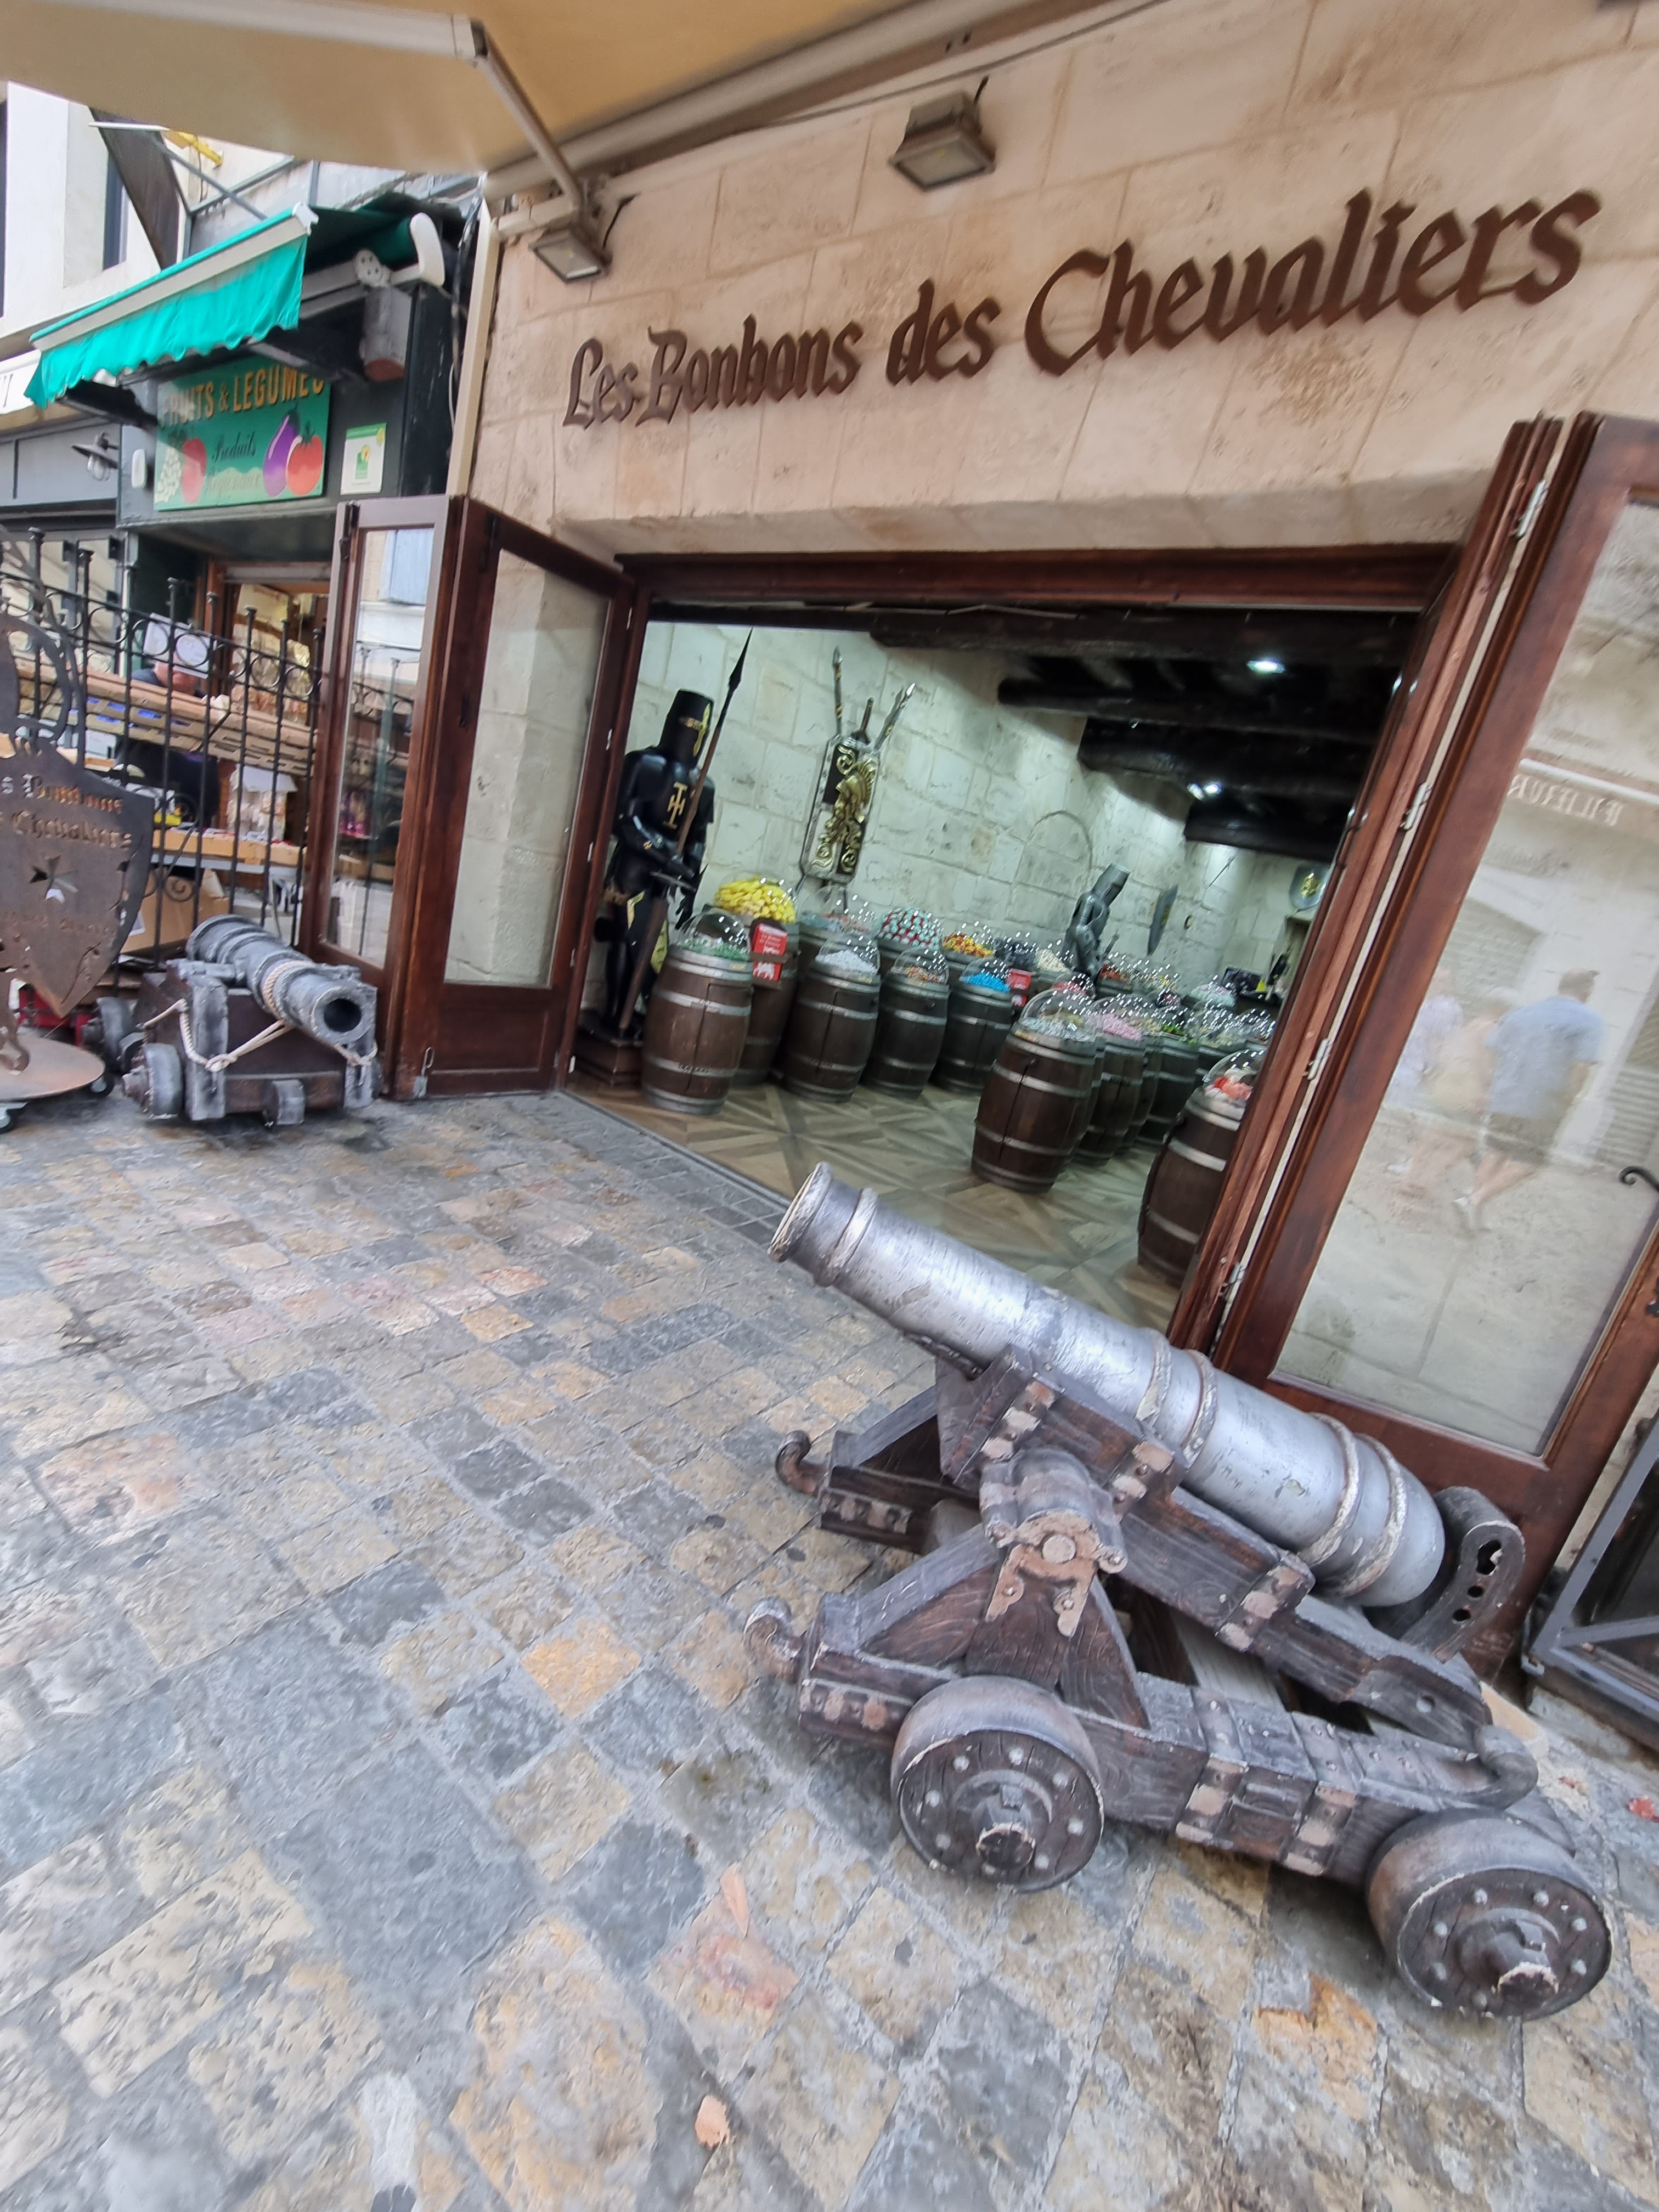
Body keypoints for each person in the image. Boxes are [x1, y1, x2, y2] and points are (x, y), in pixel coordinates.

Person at [1456, 969, 1603, 1232]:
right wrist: (1568, 1098)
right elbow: (1581, 1066)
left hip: (1505, 1097)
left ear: (1561, 986)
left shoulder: (1521, 1014)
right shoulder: (1589, 1021)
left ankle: (1474, 1211)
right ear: (1587, 991)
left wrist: (1490, 1084)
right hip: (1544, 1104)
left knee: (1496, 1152)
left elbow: (1490, 1049)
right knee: (1529, 1162)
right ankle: (1474, 1200)